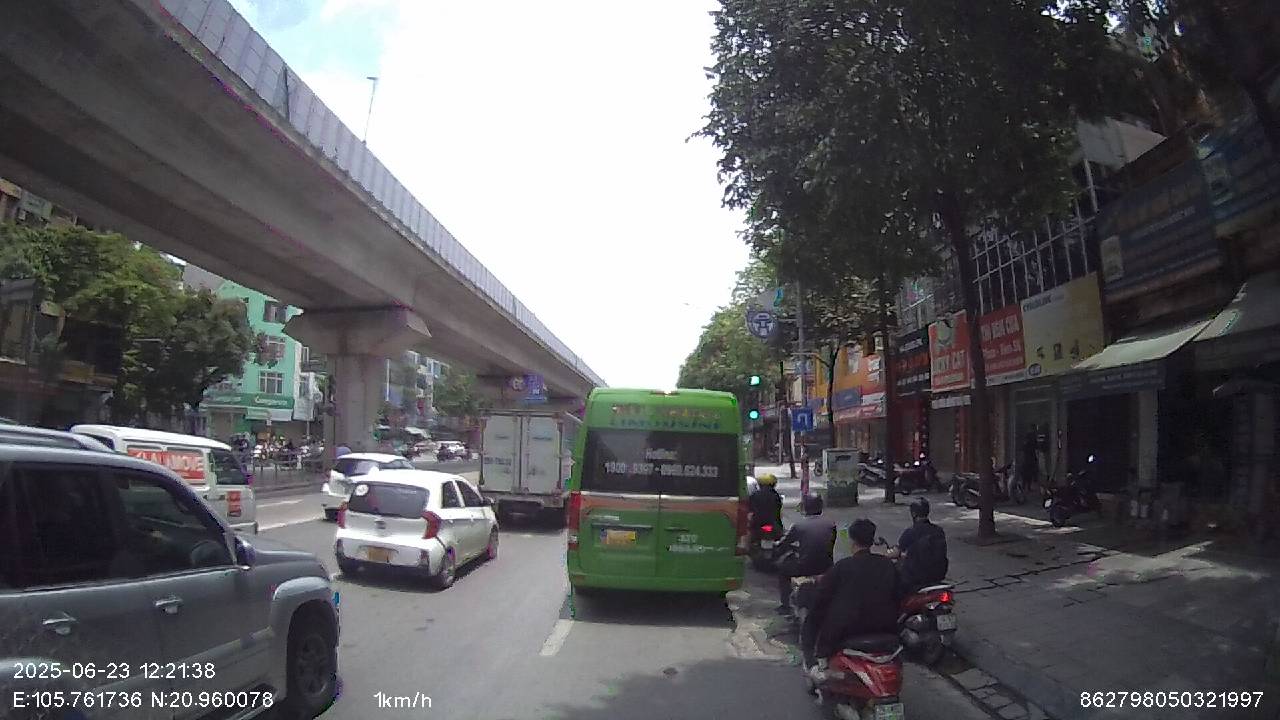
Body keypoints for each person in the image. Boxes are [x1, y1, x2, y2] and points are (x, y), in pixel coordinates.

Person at [807, 518, 901, 671]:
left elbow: (821, 599)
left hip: (849, 629)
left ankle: (815, 663)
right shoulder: (887, 565)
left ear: (852, 541)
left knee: (814, 619)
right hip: (885, 626)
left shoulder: (842, 567)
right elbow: (898, 595)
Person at [774, 492, 836, 616]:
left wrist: (777, 549)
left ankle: (785, 605)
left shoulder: (799, 526)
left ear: (805, 507)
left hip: (803, 567)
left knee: (782, 569)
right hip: (826, 566)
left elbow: (784, 544)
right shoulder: (831, 524)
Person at [888, 497, 949, 591]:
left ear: (913, 514)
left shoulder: (911, 532)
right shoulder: (938, 530)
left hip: (916, 577)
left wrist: (884, 555)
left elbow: (896, 552)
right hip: (938, 574)